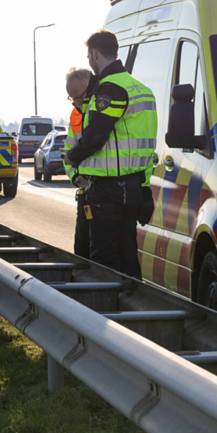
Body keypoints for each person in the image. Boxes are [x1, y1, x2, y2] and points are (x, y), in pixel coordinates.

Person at [64, 30, 157, 279]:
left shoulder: (110, 88)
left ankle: (103, 316)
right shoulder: (142, 89)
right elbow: (145, 150)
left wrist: (72, 157)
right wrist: (145, 188)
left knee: (103, 261)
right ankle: (132, 314)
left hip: (107, 190)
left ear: (95, 54)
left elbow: (96, 135)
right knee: (127, 257)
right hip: (133, 187)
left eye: (89, 56)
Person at [61, 67, 97, 258]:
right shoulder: (75, 116)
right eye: (71, 98)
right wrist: (75, 177)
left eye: (79, 98)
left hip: (104, 192)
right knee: (82, 251)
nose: (75, 103)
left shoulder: (102, 114)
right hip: (85, 194)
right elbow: (67, 154)